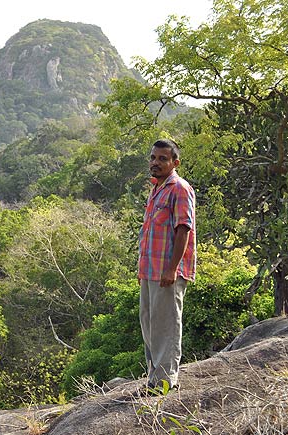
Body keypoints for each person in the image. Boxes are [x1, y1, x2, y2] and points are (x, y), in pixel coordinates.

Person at [138, 139, 196, 391]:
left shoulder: (180, 188)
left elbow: (183, 228)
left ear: (175, 162)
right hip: (149, 270)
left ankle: (165, 381)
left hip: (167, 271)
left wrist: (172, 268)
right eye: (153, 157)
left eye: (162, 158)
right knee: (149, 324)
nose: (155, 162)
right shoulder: (156, 189)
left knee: (167, 324)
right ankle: (154, 378)